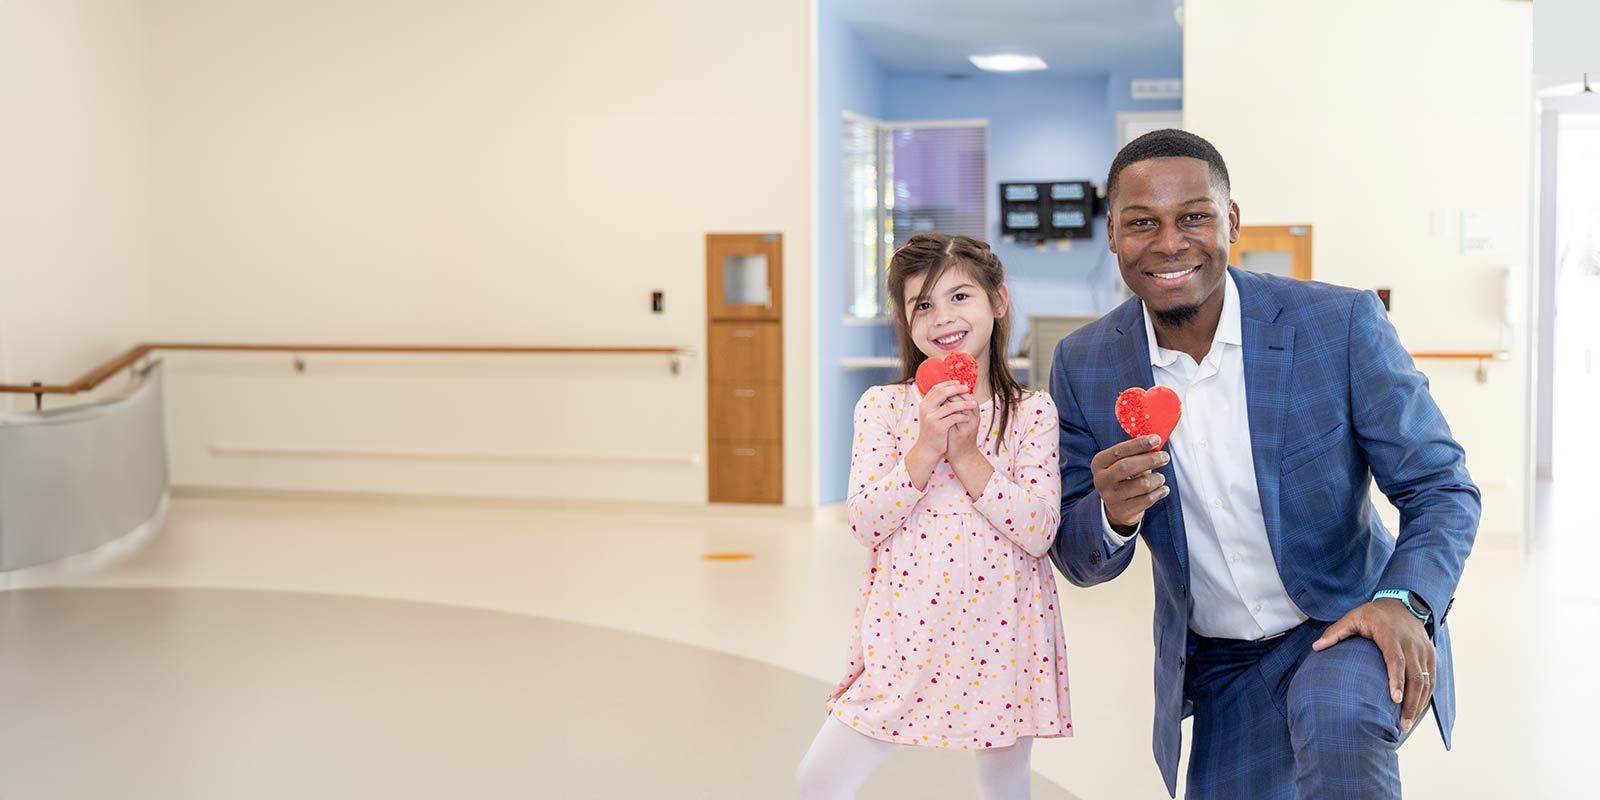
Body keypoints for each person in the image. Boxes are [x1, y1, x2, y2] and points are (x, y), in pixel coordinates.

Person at [1048, 129, 1480, 799]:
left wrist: (1405, 602)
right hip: (1221, 662)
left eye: (1193, 216)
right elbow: (1078, 558)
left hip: (1350, 620)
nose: (1168, 242)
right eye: (1142, 223)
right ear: (1111, 233)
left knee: (1337, 722)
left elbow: (1441, 487)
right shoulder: (1084, 364)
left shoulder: (1337, 324)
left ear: (1232, 221)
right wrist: (1111, 514)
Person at [796, 233, 1070, 800]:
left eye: (960, 296)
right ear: (906, 318)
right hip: (902, 633)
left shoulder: (1031, 413)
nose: (942, 317)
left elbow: (1041, 531)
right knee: (819, 780)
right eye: (923, 304)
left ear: (998, 299)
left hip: (1003, 631)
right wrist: (925, 446)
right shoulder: (882, 406)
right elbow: (867, 524)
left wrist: (968, 455)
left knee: (1003, 786)